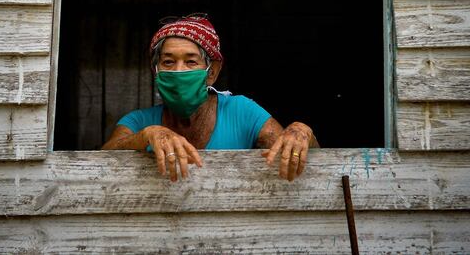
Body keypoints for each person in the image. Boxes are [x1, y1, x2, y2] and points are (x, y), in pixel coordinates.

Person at [102, 14, 319, 182]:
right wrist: (147, 135)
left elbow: (298, 155)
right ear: (155, 70)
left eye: (191, 62)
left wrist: (302, 131)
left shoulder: (242, 112)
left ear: (212, 72)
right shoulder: (140, 122)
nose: (179, 71)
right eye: (168, 62)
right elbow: (103, 157)